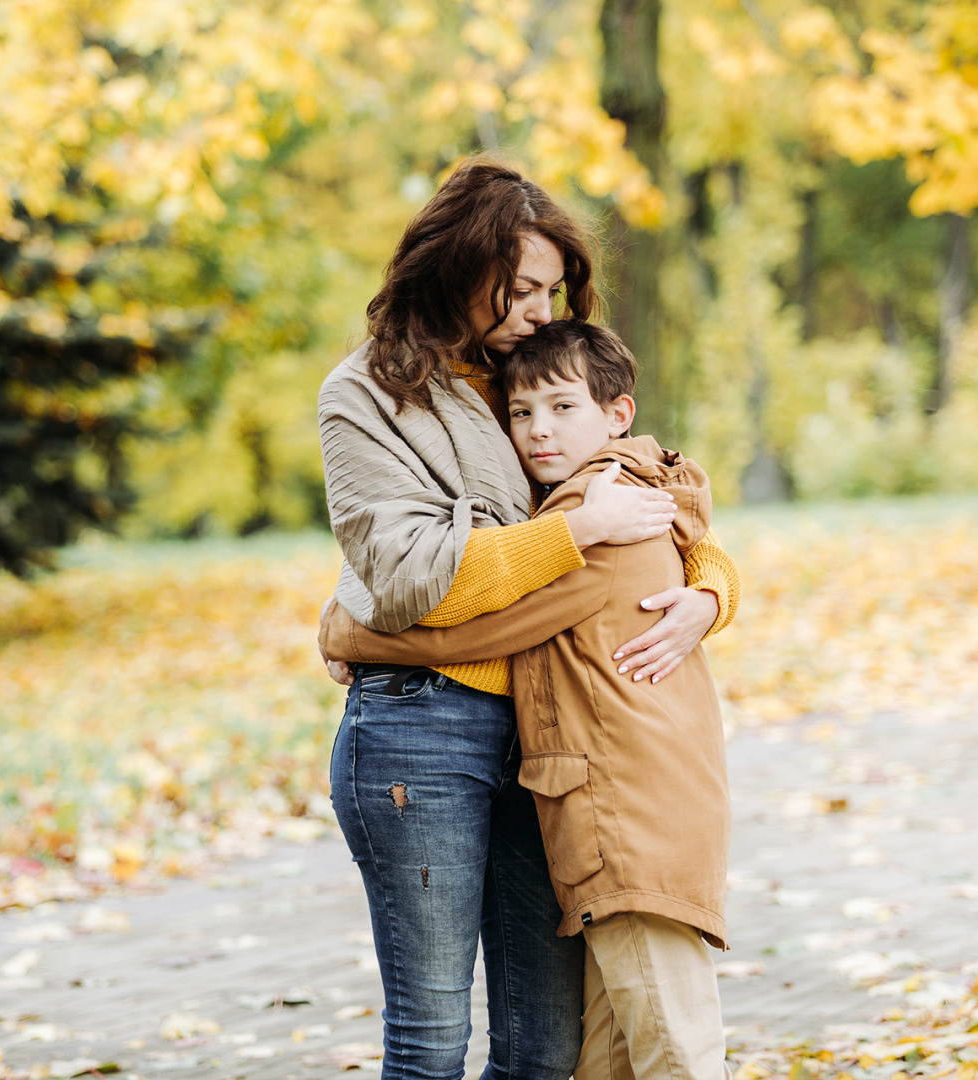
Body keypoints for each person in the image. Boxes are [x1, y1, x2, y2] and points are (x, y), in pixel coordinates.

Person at [318, 156, 740, 1080]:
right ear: (456, 271)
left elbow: (653, 479)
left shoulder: (542, 373)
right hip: (421, 731)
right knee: (432, 1038)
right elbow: (409, 573)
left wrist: (709, 586)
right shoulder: (364, 396)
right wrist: (578, 533)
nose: (543, 312)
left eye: (555, 289)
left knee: (546, 1049)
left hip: (547, 740)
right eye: (521, 290)